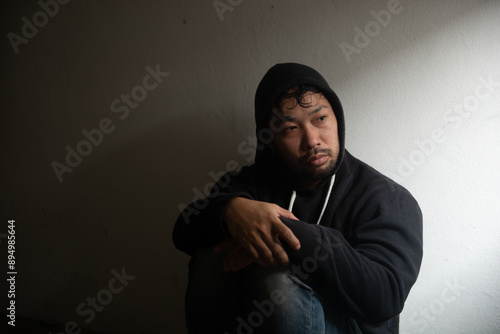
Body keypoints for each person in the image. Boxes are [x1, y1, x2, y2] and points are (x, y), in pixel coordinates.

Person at [172, 63, 423, 334]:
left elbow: (385, 298)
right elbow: (183, 232)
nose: (312, 140)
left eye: (320, 119)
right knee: (211, 255)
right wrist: (230, 211)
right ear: (269, 139)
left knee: (279, 277)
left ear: (337, 118)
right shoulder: (250, 185)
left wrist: (293, 239)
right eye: (290, 128)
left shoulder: (385, 199)